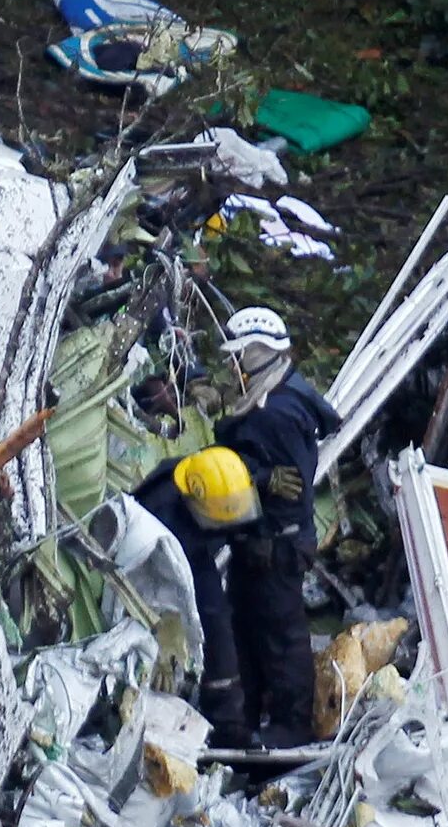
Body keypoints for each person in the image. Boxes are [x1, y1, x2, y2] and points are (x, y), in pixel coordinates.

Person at [210, 306, 337, 749]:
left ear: (259, 353)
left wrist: (255, 478)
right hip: (257, 547)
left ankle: (290, 725)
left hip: (274, 549)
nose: (232, 366)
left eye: (238, 356)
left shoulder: (279, 413)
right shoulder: (272, 400)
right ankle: (250, 718)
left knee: (282, 639)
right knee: (247, 634)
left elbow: (288, 490)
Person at [134, 444, 262, 747]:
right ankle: (217, 721)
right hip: (163, 564)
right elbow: (141, 585)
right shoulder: (157, 513)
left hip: (197, 544)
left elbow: (234, 504)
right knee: (211, 618)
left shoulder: (222, 476)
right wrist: (161, 637)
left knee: (221, 618)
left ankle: (231, 713)